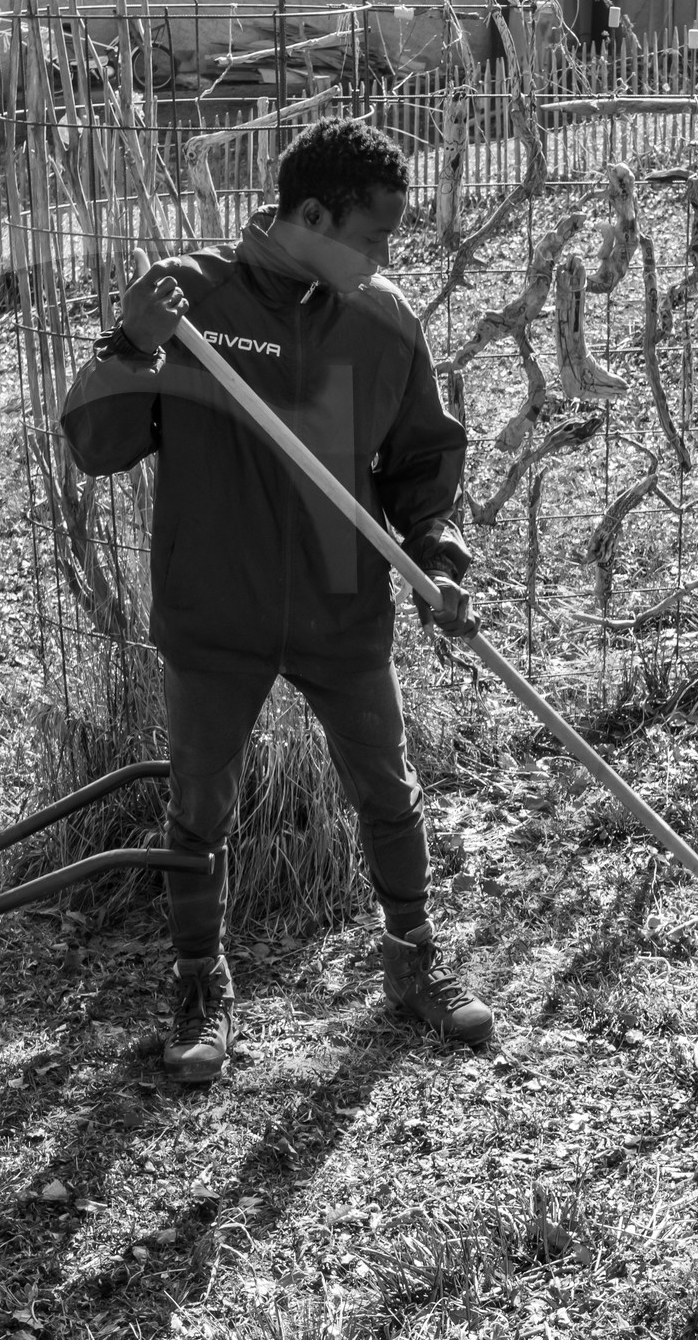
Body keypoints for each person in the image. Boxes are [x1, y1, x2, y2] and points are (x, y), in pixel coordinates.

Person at [59, 116, 491, 1083]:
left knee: (387, 785)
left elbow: (422, 460)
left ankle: (413, 962)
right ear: (307, 214)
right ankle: (199, 986)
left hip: (344, 602)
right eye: (372, 236)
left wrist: (439, 558)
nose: (386, 257)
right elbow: (97, 447)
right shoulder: (191, 299)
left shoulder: (380, 320)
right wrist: (130, 347)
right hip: (218, 605)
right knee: (201, 802)